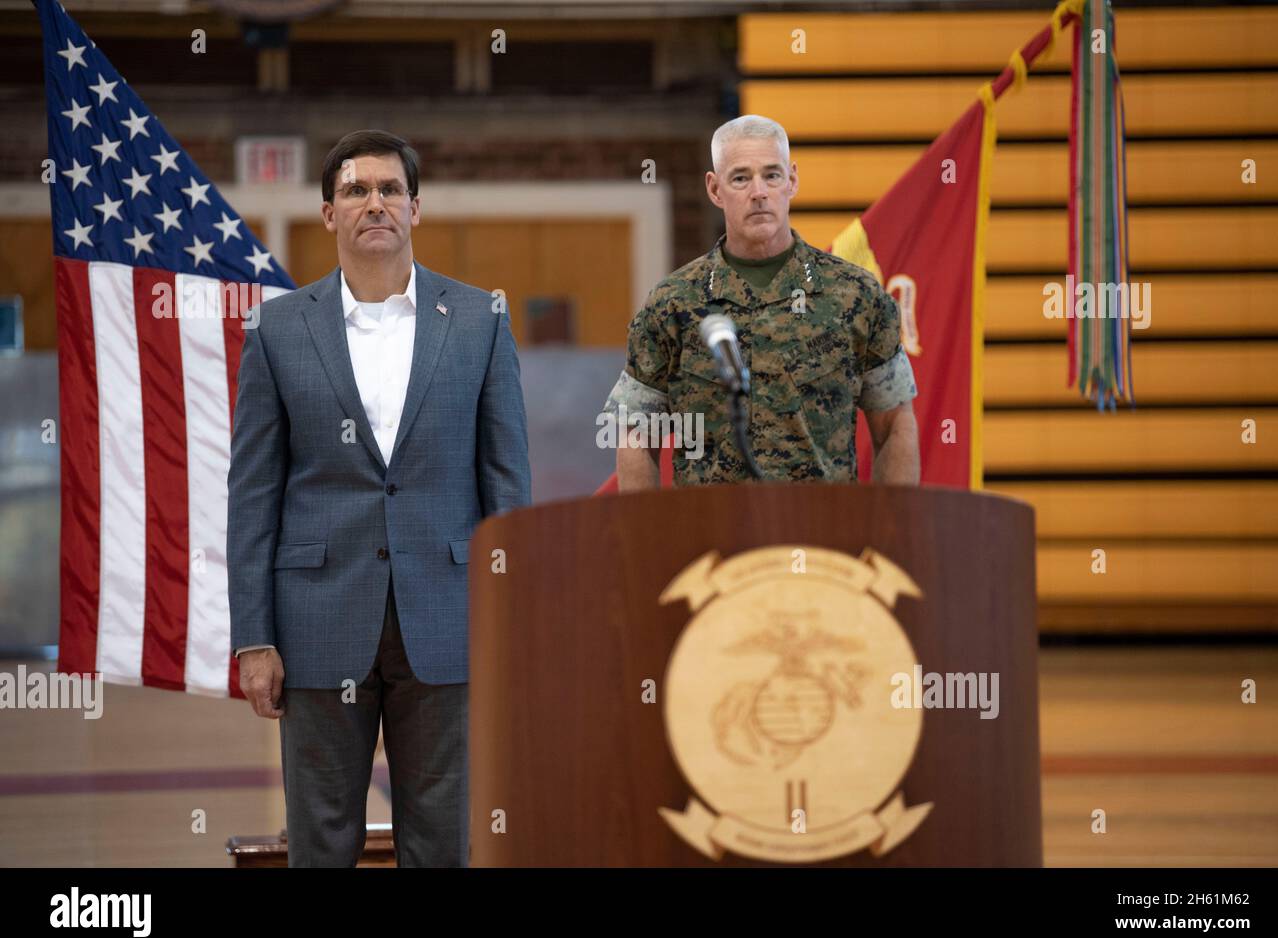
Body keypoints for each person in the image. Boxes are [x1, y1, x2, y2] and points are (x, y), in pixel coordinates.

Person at [227, 129, 531, 866]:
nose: (375, 203)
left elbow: (508, 488)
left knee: (442, 840)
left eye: (390, 190)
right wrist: (254, 634)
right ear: (328, 213)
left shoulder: (480, 323)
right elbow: (253, 491)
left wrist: (513, 622)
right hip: (316, 621)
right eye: (356, 191)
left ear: (416, 209)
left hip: (449, 618)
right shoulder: (278, 329)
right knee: (320, 838)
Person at [605, 114, 919, 489]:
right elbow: (637, 435)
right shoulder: (672, 304)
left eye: (772, 175)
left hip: (821, 537)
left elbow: (895, 426)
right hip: (710, 540)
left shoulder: (856, 296)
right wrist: (648, 543)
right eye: (741, 178)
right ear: (715, 189)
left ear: (792, 181)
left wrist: (888, 533)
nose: (759, 192)